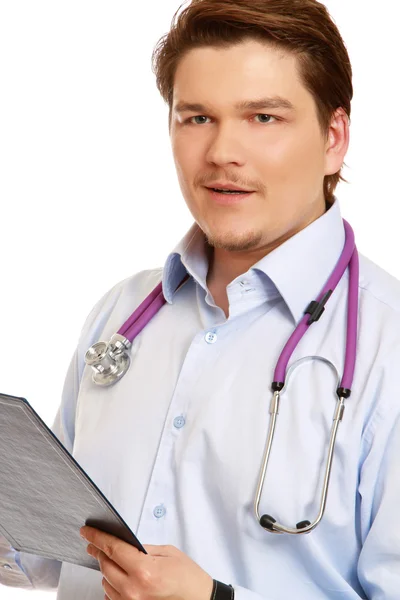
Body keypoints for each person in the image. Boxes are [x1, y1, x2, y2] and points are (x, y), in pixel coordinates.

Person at [1, 0, 400, 598]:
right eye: (196, 118)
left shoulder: (386, 347)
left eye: (263, 117)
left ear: (334, 138)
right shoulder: (123, 313)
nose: (221, 153)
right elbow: (44, 549)